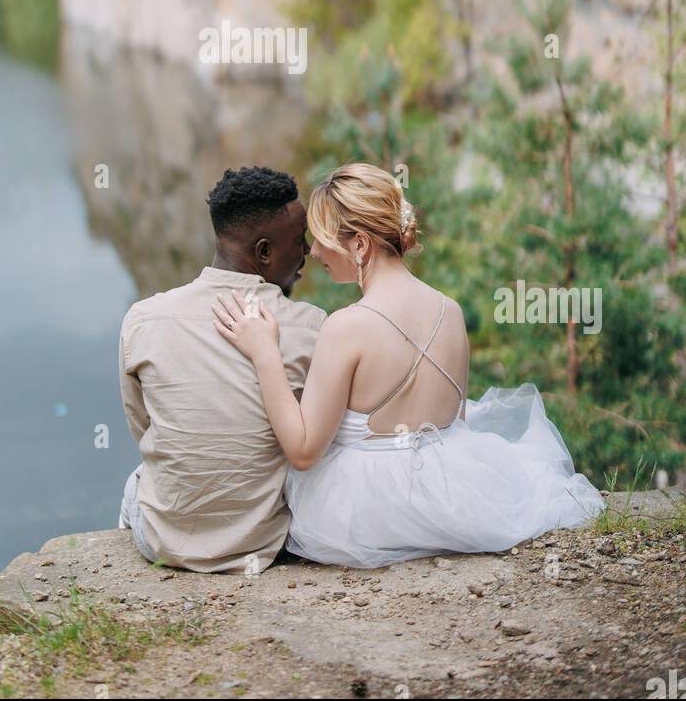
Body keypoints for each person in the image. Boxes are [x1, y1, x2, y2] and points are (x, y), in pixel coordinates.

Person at [212, 162, 606, 568]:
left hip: (371, 512)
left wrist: (264, 354)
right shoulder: (450, 311)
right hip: (455, 495)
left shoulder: (345, 327)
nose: (314, 252)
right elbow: (456, 420)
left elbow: (304, 450)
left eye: (324, 239)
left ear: (360, 245)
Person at [117, 166, 325, 572]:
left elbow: (144, 428)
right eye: (300, 243)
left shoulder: (144, 319)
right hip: (264, 542)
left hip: (164, 542)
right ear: (264, 253)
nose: (307, 254)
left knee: (138, 478)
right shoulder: (312, 327)